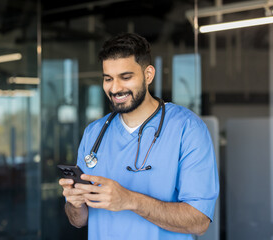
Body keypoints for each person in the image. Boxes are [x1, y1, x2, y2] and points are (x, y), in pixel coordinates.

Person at [58, 33, 219, 240]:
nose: (115, 88)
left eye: (126, 77)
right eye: (108, 79)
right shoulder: (94, 133)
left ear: (148, 74)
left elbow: (199, 222)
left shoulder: (187, 128)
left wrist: (129, 200)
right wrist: (74, 203)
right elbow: (78, 220)